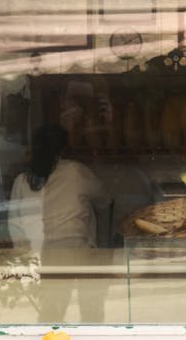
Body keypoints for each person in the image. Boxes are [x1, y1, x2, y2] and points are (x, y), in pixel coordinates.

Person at [8, 123, 111, 321]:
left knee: (51, 314)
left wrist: (26, 259)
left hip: (43, 255)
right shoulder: (76, 172)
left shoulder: (22, 180)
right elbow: (105, 199)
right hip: (80, 252)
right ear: (64, 148)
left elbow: (15, 227)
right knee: (91, 314)